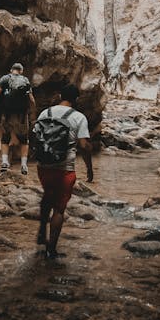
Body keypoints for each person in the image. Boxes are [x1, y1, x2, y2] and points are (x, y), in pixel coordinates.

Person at [35, 83, 94, 259]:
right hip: (64, 168)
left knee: (48, 194)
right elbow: (84, 146)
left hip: (43, 165)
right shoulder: (79, 117)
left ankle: (41, 229)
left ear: (60, 95)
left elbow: (37, 136)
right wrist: (89, 168)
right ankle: (51, 250)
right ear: (76, 99)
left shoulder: (45, 113)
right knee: (59, 209)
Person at [0, 62, 36, 174]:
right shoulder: (25, 80)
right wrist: (32, 114)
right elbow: (31, 100)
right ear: (21, 71)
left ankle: (5, 163)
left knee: (5, 138)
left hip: (6, 114)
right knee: (24, 140)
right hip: (21, 115)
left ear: (11, 70)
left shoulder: (5, 79)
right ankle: (24, 165)